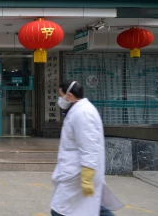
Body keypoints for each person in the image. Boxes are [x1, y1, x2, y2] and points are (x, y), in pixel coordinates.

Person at [50, 81, 123, 216]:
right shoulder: (79, 110)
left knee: (60, 211)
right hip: (74, 171)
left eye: (61, 96)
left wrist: (87, 177)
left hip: (78, 174)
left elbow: (89, 147)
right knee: (90, 207)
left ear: (70, 95)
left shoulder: (83, 114)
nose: (61, 99)